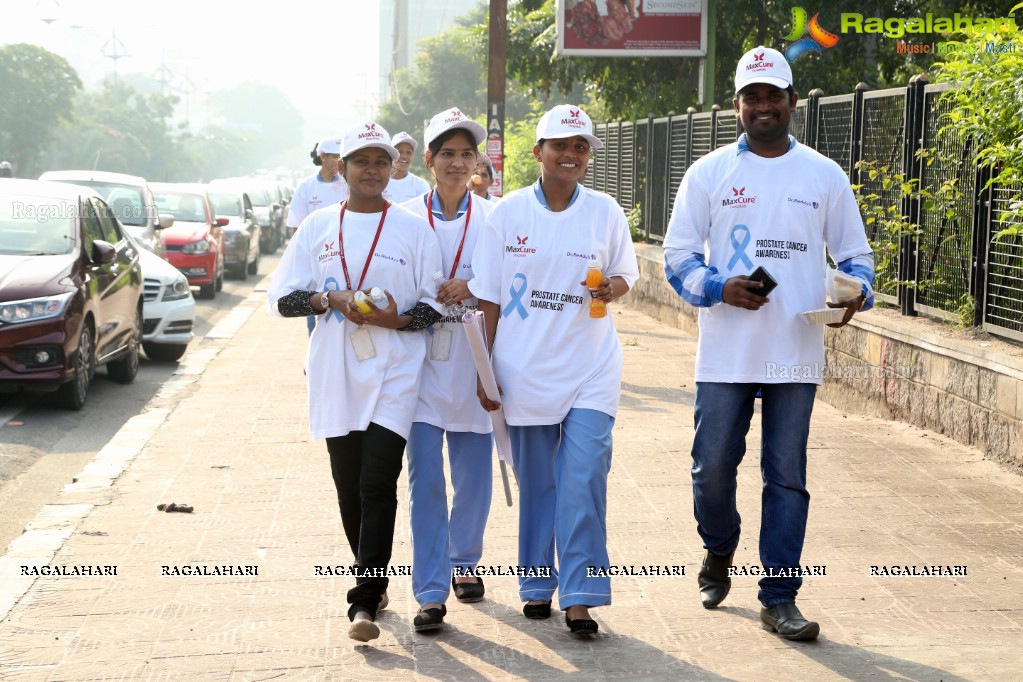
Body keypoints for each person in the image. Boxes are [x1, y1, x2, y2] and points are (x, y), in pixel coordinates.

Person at [662, 46, 876, 642]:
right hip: (726, 352)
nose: (763, 106)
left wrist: (856, 293)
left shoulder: (823, 175)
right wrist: (718, 287)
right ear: (737, 105)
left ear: (791, 102)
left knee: (785, 474)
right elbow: (676, 258)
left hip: (796, 349)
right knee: (712, 472)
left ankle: (779, 597)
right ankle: (718, 546)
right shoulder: (708, 174)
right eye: (751, 96)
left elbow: (858, 259)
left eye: (773, 95)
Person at [267, 121, 443, 643]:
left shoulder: (413, 228)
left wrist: (394, 321)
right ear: (340, 169)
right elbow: (283, 300)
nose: (372, 170)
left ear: (394, 169)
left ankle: (363, 601)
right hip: (335, 371)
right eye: (361, 161)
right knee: (349, 489)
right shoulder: (317, 226)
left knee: (376, 482)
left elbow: (433, 305)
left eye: (381, 161)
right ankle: (375, 574)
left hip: (395, 369)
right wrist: (329, 299)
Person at [470, 104, 640, 637]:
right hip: (524, 368)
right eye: (561, 145)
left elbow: (624, 275)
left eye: (580, 147)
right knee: (539, 481)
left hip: (591, 366)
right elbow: (489, 299)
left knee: (584, 475)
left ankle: (582, 596)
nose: (571, 155)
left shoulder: (605, 211)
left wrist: (609, 288)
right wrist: (485, 369)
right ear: (537, 151)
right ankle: (538, 583)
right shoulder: (507, 214)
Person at [398, 107, 495, 632]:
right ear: (429, 161)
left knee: (474, 477)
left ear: (475, 162)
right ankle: (430, 590)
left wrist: (473, 287)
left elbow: (510, 281)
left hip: (475, 361)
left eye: (466, 154)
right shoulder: (405, 216)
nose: (458, 163)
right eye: (448, 154)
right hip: (419, 362)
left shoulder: (496, 216)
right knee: (426, 479)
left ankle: (465, 564)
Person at [288, 136, 350, 335]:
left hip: (346, 256)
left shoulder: (347, 185)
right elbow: (296, 227)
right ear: (322, 156)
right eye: (334, 157)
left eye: (341, 157)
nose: (338, 161)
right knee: (316, 316)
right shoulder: (306, 187)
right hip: (316, 260)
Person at [384, 131, 431, 203]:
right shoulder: (380, 183)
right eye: (399, 152)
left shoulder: (421, 185)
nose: (404, 156)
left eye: (408, 152)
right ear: (391, 154)